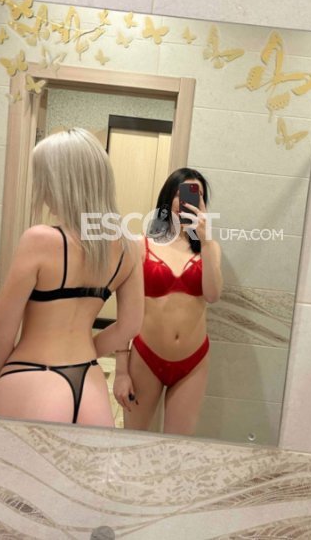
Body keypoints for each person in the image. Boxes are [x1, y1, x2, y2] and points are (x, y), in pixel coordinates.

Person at [0, 128, 143, 426]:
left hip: (32, 374)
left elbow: (0, 336)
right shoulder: (129, 247)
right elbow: (130, 325)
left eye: (45, 179)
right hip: (90, 382)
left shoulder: (39, 240)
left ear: (63, 183)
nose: (42, 189)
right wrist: (87, 350)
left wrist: (6, 382)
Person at [123, 168, 222, 436]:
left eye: (195, 195)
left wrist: (205, 241)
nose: (186, 201)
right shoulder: (141, 245)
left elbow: (213, 295)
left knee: (178, 446)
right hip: (146, 356)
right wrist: (121, 371)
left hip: (193, 361)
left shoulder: (210, 249)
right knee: (133, 439)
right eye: (180, 194)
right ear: (168, 199)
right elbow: (126, 310)